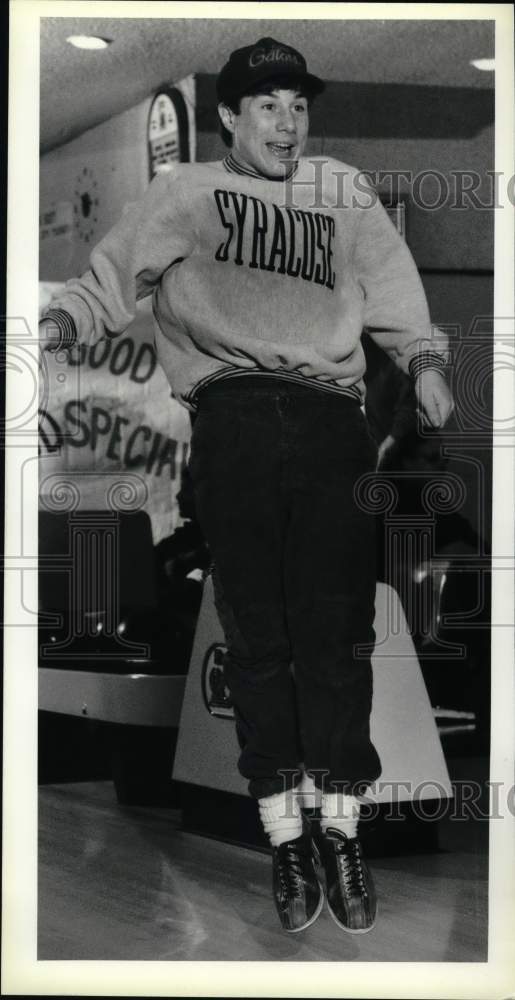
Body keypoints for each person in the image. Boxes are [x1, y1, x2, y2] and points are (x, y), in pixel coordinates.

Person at [40, 36, 454, 936]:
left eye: (297, 106)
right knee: (257, 629)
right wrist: (65, 324)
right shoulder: (184, 192)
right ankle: (284, 833)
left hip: (327, 418)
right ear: (228, 116)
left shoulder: (339, 191)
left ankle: (338, 824)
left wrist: (421, 360)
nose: (287, 121)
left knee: (335, 628)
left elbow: (394, 288)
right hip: (231, 413)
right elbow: (112, 276)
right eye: (267, 106)